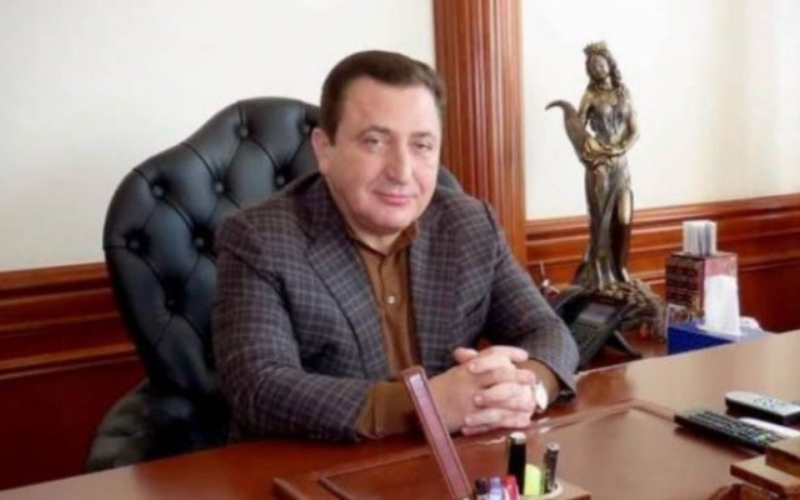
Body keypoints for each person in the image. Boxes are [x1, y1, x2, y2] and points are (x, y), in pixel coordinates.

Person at [212, 50, 579, 442]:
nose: (402, 171)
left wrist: (526, 390)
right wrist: (425, 406)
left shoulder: (470, 224)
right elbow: (258, 387)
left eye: (421, 145)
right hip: (321, 464)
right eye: (375, 141)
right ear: (324, 149)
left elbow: (546, 331)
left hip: (456, 460)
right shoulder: (259, 238)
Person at [575, 42, 639, 290]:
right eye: (592, 66)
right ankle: (600, 276)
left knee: (624, 217)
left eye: (600, 63)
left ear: (609, 63)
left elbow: (635, 131)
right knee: (601, 222)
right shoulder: (590, 96)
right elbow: (578, 130)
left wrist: (620, 148)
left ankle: (620, 266)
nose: (597, 68)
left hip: (620, 164)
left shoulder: (624, 93)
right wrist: (590, 148)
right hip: (599, 165)